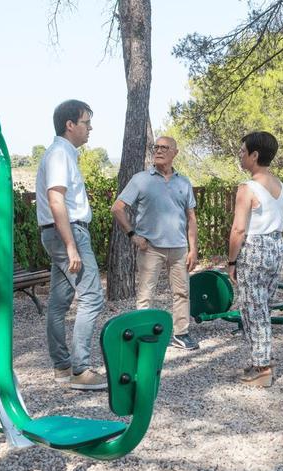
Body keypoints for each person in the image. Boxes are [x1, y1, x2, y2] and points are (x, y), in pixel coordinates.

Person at [35, 99, 107, 391]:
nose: (90, 128)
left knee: (59, 302)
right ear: (70, 125)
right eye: (86, 123)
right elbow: (56, 199)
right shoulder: (60, 154)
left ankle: (62, 367)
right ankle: (80, 369)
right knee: (92, 297)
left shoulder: (62, 154)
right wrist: (72, 245)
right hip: (69, 233)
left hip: (60, 233)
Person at [111, 136, 201, 350]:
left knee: (182, 292)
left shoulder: (184, 182)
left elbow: (191, 218)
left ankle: (181, 334)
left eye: (164, 147)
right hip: (150, 248)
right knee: (145, 293)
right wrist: (133, 234)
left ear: (175, 153)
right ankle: (143, 335)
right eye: (156, 147)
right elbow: (117, 208)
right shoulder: (141, 179)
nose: (159, 151)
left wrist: (193, 249)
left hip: (179, 249)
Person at [226, 131, 283, 387]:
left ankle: (262, 370)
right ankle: (261, 359)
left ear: (255, 155)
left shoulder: (247, 188)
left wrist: (231, 262)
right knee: (264, 306)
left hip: (255, 247)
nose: (240, 156)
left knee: (253, 309)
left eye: (243, 151)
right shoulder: (280, 186)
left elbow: (239, 229)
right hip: (276, 246)